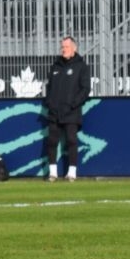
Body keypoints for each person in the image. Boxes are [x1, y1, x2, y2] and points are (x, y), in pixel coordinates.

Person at [43, 36, 91, 182]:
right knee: (52, 141)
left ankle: (72, 173)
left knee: (71, 141)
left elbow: (85, 89)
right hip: (54, 112)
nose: (63, 49)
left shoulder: (81, 66)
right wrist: (50, 102)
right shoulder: (55, 66)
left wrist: (73, 104)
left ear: (74, 48)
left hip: (71, 111)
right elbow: (49, 87)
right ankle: (52, 173)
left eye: (66, 47)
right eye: (62, 47)